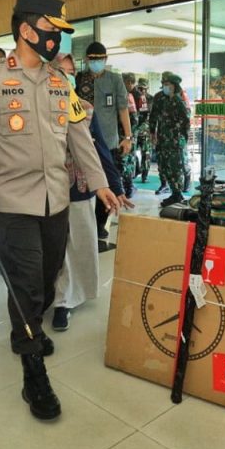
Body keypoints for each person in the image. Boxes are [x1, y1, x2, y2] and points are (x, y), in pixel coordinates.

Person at [0, 0, 119, 420]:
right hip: (11, 203)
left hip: (57, 200)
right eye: (52, 32)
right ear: (27, 31)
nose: (57, 41)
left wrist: (101, 183)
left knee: (49, 280)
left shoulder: (59, 81)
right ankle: (33, 370)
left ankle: (32, 323)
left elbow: (78, 137)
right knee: (27, 284)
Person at [50, 54, 131, 331]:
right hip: (44, 189)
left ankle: (67, 298)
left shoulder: (83, 108)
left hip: (79, 187)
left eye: (71, 72)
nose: (67, 76)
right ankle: (58, 297)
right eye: (63, 70)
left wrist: (114, 187)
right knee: (54, 248)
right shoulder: (37, 107)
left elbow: (99, 149)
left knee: (79, 244)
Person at [74, 41, 132, 241]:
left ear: (105, 60)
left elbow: (122, 108)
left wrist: (128, 137)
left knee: (109, 183)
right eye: (92, 59)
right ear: (87, 60)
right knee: (88, 184)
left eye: (100, 59)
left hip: (108, 143)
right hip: (84, 144)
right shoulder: (79, 79)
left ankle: (100, 223)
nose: (96, 63)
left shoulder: (115, 80)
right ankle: (89, 224)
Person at [148, 72, 190, 206]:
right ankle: (173, 192)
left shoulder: (179, 101)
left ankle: (177, 194)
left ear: (174, 86)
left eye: (168, 84)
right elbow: (153, 116)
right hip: (162, 139)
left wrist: (183, 140)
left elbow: (186, 122)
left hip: (176, 141)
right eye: (164, 84)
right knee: (164, 166)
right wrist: (152, 132)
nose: (165, 87)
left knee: (175, 167)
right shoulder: (159, 97)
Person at [132, 78, 152, 182]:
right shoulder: (133, 97)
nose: (142, 90)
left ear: (147, 88)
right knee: (132, 153)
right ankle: (136, 170)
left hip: (146, 132)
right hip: (134, 131)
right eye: (140, 88)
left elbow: (152, 117)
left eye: (144, 88)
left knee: (146, 154)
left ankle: (145, 176)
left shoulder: (151, 99)